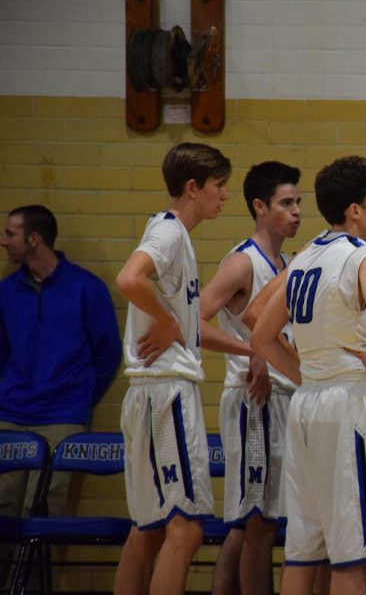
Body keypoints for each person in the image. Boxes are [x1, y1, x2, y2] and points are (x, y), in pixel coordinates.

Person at [251, 156, 366, 595]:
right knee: (351, 552)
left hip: (307, 406)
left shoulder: (304, 257)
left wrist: (305, 374)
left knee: (304, 549)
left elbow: (261, 332)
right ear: (355, 210)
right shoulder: (365, 254)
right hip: (352, 402)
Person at [114, 142, 231, 595]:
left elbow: (189, 329)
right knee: (186, 529)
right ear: (192, 187)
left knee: (147, 530)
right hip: (166, 392)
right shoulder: (168, 233)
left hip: (145, 392)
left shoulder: (169, 233)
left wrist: (249, 349)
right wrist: (164, 321)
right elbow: (128, 279)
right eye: (218, 187)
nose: (223, 196)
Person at [198, 161, 302, 595]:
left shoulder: (290, 261)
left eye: (298, 202)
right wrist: (253, 349)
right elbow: (195, 322)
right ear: (260, 206)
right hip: (252, 401)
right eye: (286, 203)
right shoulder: (243, 262)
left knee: (253, 524)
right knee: (257, 520)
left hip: (283, 398)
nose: (296, 211)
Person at [0, 205, 121, 517]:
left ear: (35, 239)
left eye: (10, 233)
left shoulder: (86, 288)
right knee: (4, 508)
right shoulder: (6, 291)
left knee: (42, 510)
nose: (4, 241)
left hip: (62, 417)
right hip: (10, 414)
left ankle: (35, 570)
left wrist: (78, 398)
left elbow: (109, 354)